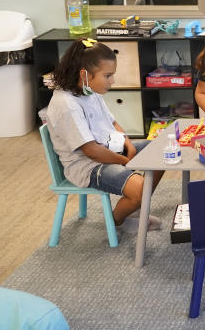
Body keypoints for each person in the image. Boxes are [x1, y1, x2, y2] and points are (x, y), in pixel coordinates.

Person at [45, 39, 162, 230]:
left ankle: (137, 204)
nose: (112, 81)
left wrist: (129, 145)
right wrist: (125, 162)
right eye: (107, 75)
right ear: (84, 74)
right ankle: (116, 222)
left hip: (109, 150)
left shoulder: (90, 91)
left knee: (159, 151)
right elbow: (91, 151)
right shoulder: (66, 105)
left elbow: (112, 123)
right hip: (87, 165)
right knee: (141, 187)